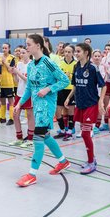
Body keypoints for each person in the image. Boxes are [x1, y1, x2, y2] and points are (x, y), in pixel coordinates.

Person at [15, 34, 70, 187]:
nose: (26, 47)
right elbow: (29, 87)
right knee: (44, 136)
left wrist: (48, 89)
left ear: (38, 45)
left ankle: (31, 174)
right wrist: (20, 103)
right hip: (36, 106)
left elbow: (65, 81)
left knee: (37, 138)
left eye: (28, 44)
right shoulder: (31, 65)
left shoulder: (48, 63)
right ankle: (63, 161)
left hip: (46, 106)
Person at [65, 43, 106, 173]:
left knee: (85, 133)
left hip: (91, 104)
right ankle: (91, 159)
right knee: (84, 133)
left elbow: (103, 86)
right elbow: (75, 85)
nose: (76, 54)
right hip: (80, 104)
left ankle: (91, 162)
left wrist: (100, 102)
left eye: (78, 51)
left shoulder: (93, 68)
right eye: (75, 51)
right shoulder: (76, 66)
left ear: (86, 53)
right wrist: (68, 97)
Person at [9, 46, 35, 148]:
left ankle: (30, 139)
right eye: (20, 52)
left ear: (29, 53)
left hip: (29, 94)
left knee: (29, 116)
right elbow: (17, 81)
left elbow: (28, 81)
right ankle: (19, 138)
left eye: (23, 52)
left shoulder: (32, 64)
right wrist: (13, 74)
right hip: (19, 93)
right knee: (15, 115)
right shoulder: (19, 64)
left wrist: (17, 73)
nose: (21, 54)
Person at [54, 45, 77, 140]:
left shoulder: (76, 64)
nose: (67, 54)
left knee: (71, 111)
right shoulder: (59, 63)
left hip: (71, 90)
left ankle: (70, 131)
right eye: (65, 51)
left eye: (69, 52)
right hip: (61, 89)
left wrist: (70, 75)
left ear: (73, 53)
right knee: (58, 111)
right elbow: (56, 76)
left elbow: (76, 79)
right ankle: (63, 130)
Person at [0, 43, 15, 125]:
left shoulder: (12, 58)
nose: (4, 49)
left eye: (5, 48)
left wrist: (5, 62)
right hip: (1, 83)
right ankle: (2, 117)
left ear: (9, 48)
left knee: (11, 101)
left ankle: (11, 118)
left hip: (9, 82)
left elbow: (11, 70)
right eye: (3, 48)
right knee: (2, 100)